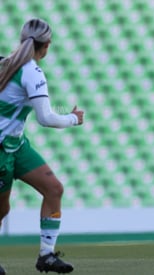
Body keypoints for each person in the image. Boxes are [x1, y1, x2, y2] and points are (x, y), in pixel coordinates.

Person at [0, 18, 84, 273]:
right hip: (2, 149)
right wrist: (73, 119)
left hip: (16, 145)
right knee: (2, 207)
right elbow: (45, 118)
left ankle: (46, 256)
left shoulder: (6, 63)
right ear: (46, 45)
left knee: (53, 189)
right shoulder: (31, 71)